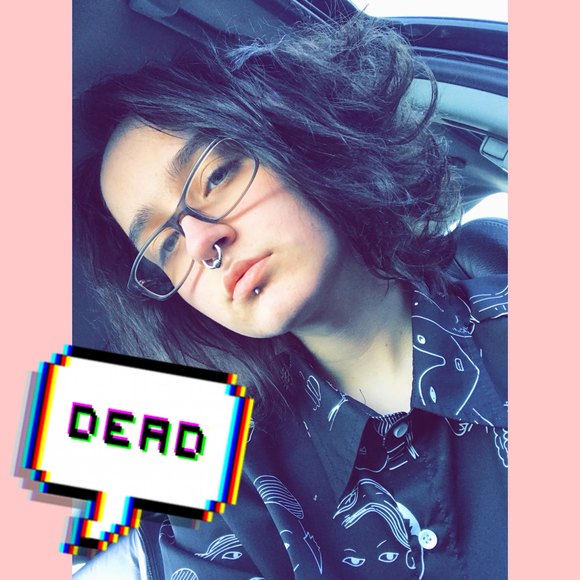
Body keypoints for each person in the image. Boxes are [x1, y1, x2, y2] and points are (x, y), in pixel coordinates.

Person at [74, 17, 507, 579]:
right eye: (165, 245)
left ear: (302, 139)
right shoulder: (228, 497)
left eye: (216, 176)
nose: (202, 242)